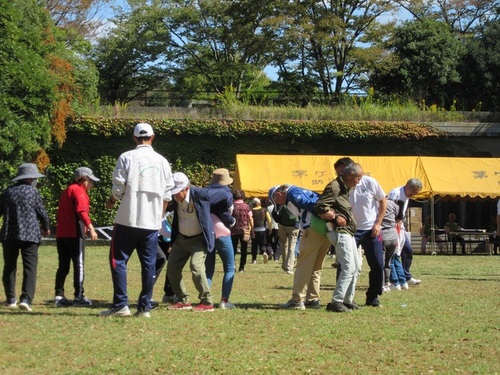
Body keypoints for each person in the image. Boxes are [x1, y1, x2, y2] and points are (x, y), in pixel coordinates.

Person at [100, 122, 174, 318]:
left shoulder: (126, 157)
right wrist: (158, 217)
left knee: (118, 260)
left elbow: (118, 188)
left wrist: (111, 201)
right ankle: (144, 308)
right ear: (153, 136)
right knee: (148, 264)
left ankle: (121, 304)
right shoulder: (163, 162)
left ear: (134, 138)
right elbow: (167, 195)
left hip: (128, 218)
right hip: (151, 223)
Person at [275, 157, 354, 311]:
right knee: (316, 266)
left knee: (303, 265)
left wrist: (327, 214)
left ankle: (297, 300)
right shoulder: (304, 191)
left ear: (278, 193)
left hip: (313, 229)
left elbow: (313, 205)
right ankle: (313, 298)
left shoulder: (293, 193)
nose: (278, 204)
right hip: (325, 229)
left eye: (276, 200)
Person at [166, 172, 231, 312]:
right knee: (172, 269)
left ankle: (207, 302)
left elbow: (223, 195)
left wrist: (229, 204)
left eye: (177, 192)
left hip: (199, 239)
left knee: (196, 268)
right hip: (181, 239)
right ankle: (183, 300)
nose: (175, 195)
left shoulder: (200, 194)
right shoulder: (173, 198)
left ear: (186, 188)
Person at [1, 163, 50, 312]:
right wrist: (46, 227)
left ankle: (10, 299)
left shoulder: (7, 192)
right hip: (30, 235)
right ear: (30, 178)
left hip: (10, 233)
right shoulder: (32, 192)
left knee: (9, 266)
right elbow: (41, 211)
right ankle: (26, 299)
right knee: (30, 267)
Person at [315, 163, 364, 312]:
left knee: (356, 268)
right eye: (358, 178)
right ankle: (337, 301)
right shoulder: (334, 187)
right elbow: (320, 206)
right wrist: (336, 216)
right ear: (349, 176)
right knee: (348, 268)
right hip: (340, 232)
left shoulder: (344, 188)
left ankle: (348, 300)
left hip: (348, 232)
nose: (359, 182)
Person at [54, 167, 100, 308]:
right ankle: (79, 296)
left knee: (63, 266)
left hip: (61, 233)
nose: (92, 185)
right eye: (91, 181)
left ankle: (59, 295)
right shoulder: (79, 191)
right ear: (85, 180)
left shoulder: (67, 190)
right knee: (78, 265)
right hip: (74, 233)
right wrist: (91, 228)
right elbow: (81, 211)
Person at [350, 168, 387, 307]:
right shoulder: (343, 185)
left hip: (371, 229)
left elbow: (383, 201)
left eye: (360, 176)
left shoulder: (370, 182)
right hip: (351, 230)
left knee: (378, 264)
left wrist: (378, 223)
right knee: (346, 265)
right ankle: (346, 298)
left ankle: (373, 296)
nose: (358, 179)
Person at [204, 168, 237, 309]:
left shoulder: (204, 192)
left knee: (208, 269)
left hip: (206, 233)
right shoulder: (225, 193)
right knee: (229, 267)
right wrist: (232, 221)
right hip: (222, 233)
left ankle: (205, 299)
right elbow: (227, 213)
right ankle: (224, 300)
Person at [387, 178, 423, 285]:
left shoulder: (406, 196)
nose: (413, 194)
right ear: (408, 186)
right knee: (393, 253)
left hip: (400, 225)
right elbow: (390, 208)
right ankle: (393, 278)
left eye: (416, 193)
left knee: (407, 250)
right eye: (413, 191)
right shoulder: (396, 193)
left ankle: (405, 276)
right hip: (393, 226)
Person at [273, 203, 299, 274]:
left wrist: (279, 220)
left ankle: (284, 265)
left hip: (282, 225)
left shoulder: (280, 201)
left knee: (284, 245)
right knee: (292, 247)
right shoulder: (295, 201)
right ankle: (289, 267)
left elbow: (274, 213)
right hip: (294, 226)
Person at [231, 189, 253, 272]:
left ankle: (232, 265)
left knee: (232, 249)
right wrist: (251, 229)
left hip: (233, 230)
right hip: (244, 231)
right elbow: (250, 218)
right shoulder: (246, 206)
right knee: (244, 249)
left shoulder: (232, 206)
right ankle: (242, 267)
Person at [250, 197, 272, 264]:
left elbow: (250, 221)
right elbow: (269, 219)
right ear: (259, 203)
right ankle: (264, 252)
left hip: (254, 229)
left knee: (254, 244)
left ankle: (254, 259)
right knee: (263, 244)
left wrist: (251, 230)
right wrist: (270, 228)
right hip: (263, 229)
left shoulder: (251, 211)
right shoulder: (264, 210)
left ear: (253, 204)